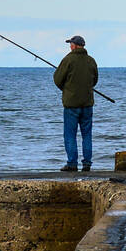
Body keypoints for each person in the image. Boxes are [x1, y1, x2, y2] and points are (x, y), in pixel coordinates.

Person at [54, 34, 98, 172]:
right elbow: (94, 80)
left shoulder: (68, 60)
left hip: (71, 105)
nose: (70, 46)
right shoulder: (91, 61)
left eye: (71, 44)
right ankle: (87, 164)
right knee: (87, 135)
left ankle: (72, 164)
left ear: (74, 45)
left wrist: (67, 89)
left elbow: (57, 79)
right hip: (87, 104)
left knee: (70, 135)